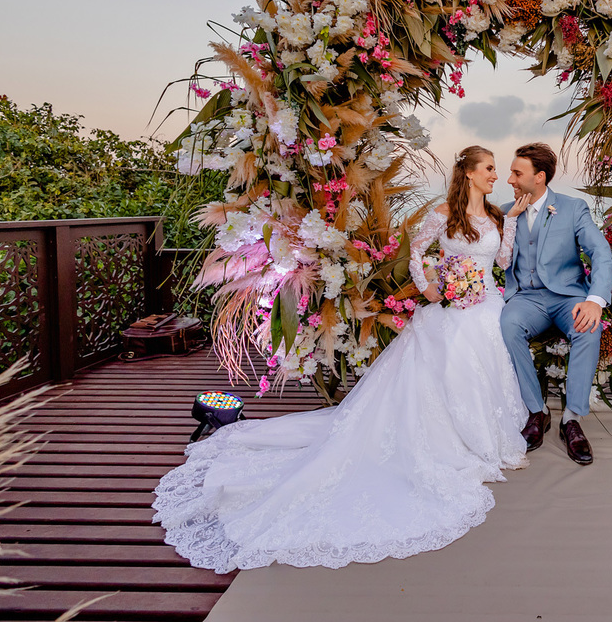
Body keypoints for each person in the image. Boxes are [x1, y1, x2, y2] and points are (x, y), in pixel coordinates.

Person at [152, 146, 532, 572]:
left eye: (496, 170)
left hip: (484, 306)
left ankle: (485, 438)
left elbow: (502, 261)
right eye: (489, 169)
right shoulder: (444, 213)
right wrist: (428, 286)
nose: (495, 176)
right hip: (447, 309)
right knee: (446, 368)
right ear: (468, 174)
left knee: (484, 369)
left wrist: (513, 220)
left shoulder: (499, 217)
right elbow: (418, 250)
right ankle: (453, 442)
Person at [500, 143, 612, 466]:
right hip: (527, 298)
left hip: (568, 297)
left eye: (516, 173)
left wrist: (594, 300)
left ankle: (572, 419)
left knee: (588, 328)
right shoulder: (506, 211)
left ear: (538, 177)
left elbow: (601, 253)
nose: (509, 179)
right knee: (507, 325)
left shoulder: (573, 208)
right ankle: (537, 412)